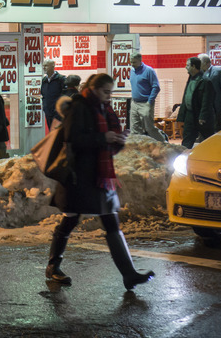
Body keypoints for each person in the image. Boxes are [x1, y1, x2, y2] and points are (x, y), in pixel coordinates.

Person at [46, 73, 154, 290]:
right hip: (78, 176)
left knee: (110, 221)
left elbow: (107, 142)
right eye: (105, 91)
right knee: (71, 219)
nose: (109, 96)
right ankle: (53, 266)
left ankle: (129, 274)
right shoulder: (79, 107)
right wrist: (103, 138)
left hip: (97, 176)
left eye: (110, 91)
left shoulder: (102, 108)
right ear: (93, 89)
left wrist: (117, 140)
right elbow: (73, 140)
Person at [177, 56, 215, 149]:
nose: (186, 67)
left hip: (202, 117)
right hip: (190, 115)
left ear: (194, 67)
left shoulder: (205, 81)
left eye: (188, 65)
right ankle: (184, 160)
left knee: (208, 141)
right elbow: (185, 98)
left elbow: (207, 101)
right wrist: (181, 116)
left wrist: (202, 116)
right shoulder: (190, 79)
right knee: (186, 141)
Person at [129, 52, 167, 142]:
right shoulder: (132, 71)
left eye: (134, 62)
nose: (132, 64)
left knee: (149, 128)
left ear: (140, 61)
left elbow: (156, 87)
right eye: (131, 62)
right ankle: (138, 148)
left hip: (145, 103)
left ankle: (163, 143)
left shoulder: (149, 71)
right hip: (134, 103)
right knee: (134, 129)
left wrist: (149, 101)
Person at [198, 53, 221, 123]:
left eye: (199, 62)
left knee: (216, 125)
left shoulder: (219, 72)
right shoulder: (199, 73)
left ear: (205, 63)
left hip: (216, 104)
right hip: (204, 105)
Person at [41, 59, 66, 131]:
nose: (44, 68)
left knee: (58, 133)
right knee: (51, 132)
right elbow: (43, 95)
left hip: (57, 113)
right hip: (48, 111)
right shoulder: (44, 80)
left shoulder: (60, 79)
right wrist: (45, 106)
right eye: (43, 66)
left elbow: (64, 95)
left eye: (46, 66)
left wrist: (59, 109)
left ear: (53, 66)